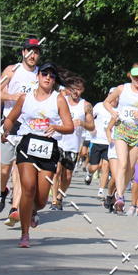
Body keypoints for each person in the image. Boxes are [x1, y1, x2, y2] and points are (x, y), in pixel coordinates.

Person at [1, 62, 74, 247]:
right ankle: (24, 234)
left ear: (54, 79)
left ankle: (33, 211)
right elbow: (11, 118)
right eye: (44, 74)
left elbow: (69, 127)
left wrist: (56, 127)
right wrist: (6, 131)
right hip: (27, 145)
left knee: (41, 200)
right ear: (38, 77)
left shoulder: (58, 99)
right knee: (28, 188)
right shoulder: (25, 98)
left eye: (51, 75)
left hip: (48, 148)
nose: (47, 77)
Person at [0, 37, 41, 224]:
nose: (33, 55)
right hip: (10, 123)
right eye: (30, 51)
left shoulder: (41, 74)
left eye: (36, 52)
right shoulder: (12, 70)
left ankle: (15, 208)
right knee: (5, 168)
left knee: (20, 166)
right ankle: (2, 190)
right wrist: (14, 96)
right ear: (23, 52)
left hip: (30, 125)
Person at [103, 64, 138, 213]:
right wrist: (113, 112)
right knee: (123, 163)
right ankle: (120, 196)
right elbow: (107, 102)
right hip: (122, 128)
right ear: (130, 76)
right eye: (136, 76)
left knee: (131, 169)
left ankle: (118, 193)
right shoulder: (122, 88)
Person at [51, 77, 94, 210]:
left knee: (68, 175)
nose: (76, 92)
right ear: (69, 88)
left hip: (73, 145)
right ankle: (54, 200)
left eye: (79, 89)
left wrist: (82, 123)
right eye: (73, 88)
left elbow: (92, 127)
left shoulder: (86, 105)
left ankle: (60, 196)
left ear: (82, 91)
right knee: (57, 171)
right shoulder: (60, 101)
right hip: (58, 140)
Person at [85, 88, 115, 197]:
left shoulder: (118, 109)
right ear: (108, 95)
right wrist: (91, 129)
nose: (113, 97)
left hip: (110, 143)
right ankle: (89, 173)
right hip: (97, 140)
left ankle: (101, 190)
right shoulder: (99, 106)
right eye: (111, 94)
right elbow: (89, 118)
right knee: (94, 166)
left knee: (106, 166)